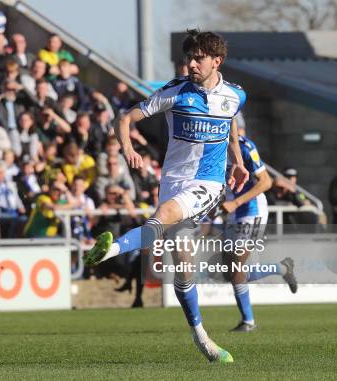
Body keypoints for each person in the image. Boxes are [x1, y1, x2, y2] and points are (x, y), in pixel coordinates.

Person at [83, 29, 249, 363]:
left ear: (216, 61)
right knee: (183, 269)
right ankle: (203, 339)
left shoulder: (236, 95)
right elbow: (125, 117)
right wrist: (127, 147)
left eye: (198, 58)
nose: (191, 64)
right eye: (187, 58)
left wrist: (238, 161)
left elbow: (231, 124)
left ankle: (108, 251)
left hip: (208, 183)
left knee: (162, 217)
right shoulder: (176, 91)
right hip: (173, 181)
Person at [221, 121, 297, 333]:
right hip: (233, 212)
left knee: (236, 268)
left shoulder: (245, 147)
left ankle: (248, 321)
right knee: (230, 272)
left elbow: (265, 182)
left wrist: (235, 202)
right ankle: (281, 268)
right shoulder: (212, 146)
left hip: (251, 210)